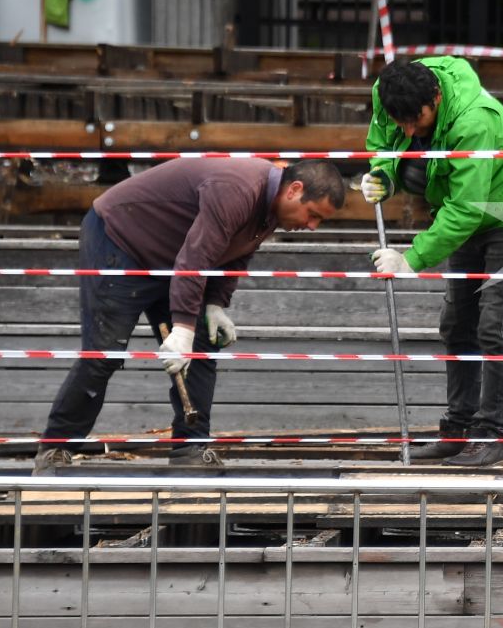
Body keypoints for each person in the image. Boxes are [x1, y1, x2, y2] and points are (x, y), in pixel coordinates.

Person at [33, 158, 348, 475]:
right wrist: (181, 327)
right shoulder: (237, 190)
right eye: (314, 215)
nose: (312, 226)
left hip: (172, 257)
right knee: (104, 353)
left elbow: (235, 252)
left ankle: (190, 449)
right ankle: (55, 449)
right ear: (295, 190)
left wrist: (215, 303)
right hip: (119, 238)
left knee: (200, 346)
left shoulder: (269, 208)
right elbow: (196, 258)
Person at [359, 56, 503, 467]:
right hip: (465, 207)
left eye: (417, 120)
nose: (409, 131)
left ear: (437, 96)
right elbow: (382, 143)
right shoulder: (387, 92)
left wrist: (411, 258)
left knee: (495, 326)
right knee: (456, 324)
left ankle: (491, 435)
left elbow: (466, 210)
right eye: (401, 121)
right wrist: (384, 174)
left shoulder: (473, 122)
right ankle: (458, 430)